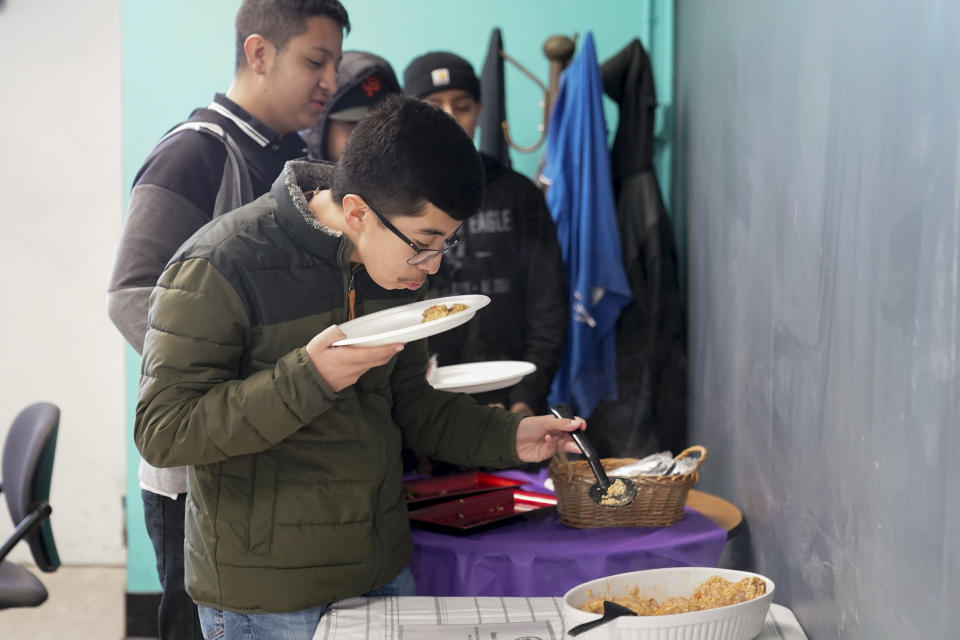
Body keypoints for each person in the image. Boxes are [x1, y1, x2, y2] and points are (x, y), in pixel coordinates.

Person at [134, 94, 585, 640]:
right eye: (423, 244)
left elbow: (413, 406)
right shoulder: (219, 264)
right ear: (356, 213)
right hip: (267, 600)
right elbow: (163, 431)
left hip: (382, 574)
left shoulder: (390, 270)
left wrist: (513, 435)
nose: (434, 264)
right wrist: (308, 379)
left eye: (446, 242)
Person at [106, 2, 349, 638]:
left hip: (276, 455)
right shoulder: (194, 155)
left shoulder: (297, 158)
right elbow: (129, 291)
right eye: (316, 62)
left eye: (335, 65)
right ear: (259, 54)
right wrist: (234, 390)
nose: (330, 82)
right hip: (200, 473)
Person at [402, 53, 568, 414]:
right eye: (433, 107)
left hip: (512, 397)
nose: (449, 116)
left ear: (479, 109)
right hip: (425, 406)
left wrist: (528, 394)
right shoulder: (396, 201)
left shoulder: (518, 194)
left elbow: (548, 303)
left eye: (462, 106)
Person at [303, 50, 401, 161]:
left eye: (382, 127)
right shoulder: (292, 176)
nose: (370, 140)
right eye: (354, 125)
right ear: (321, 129)